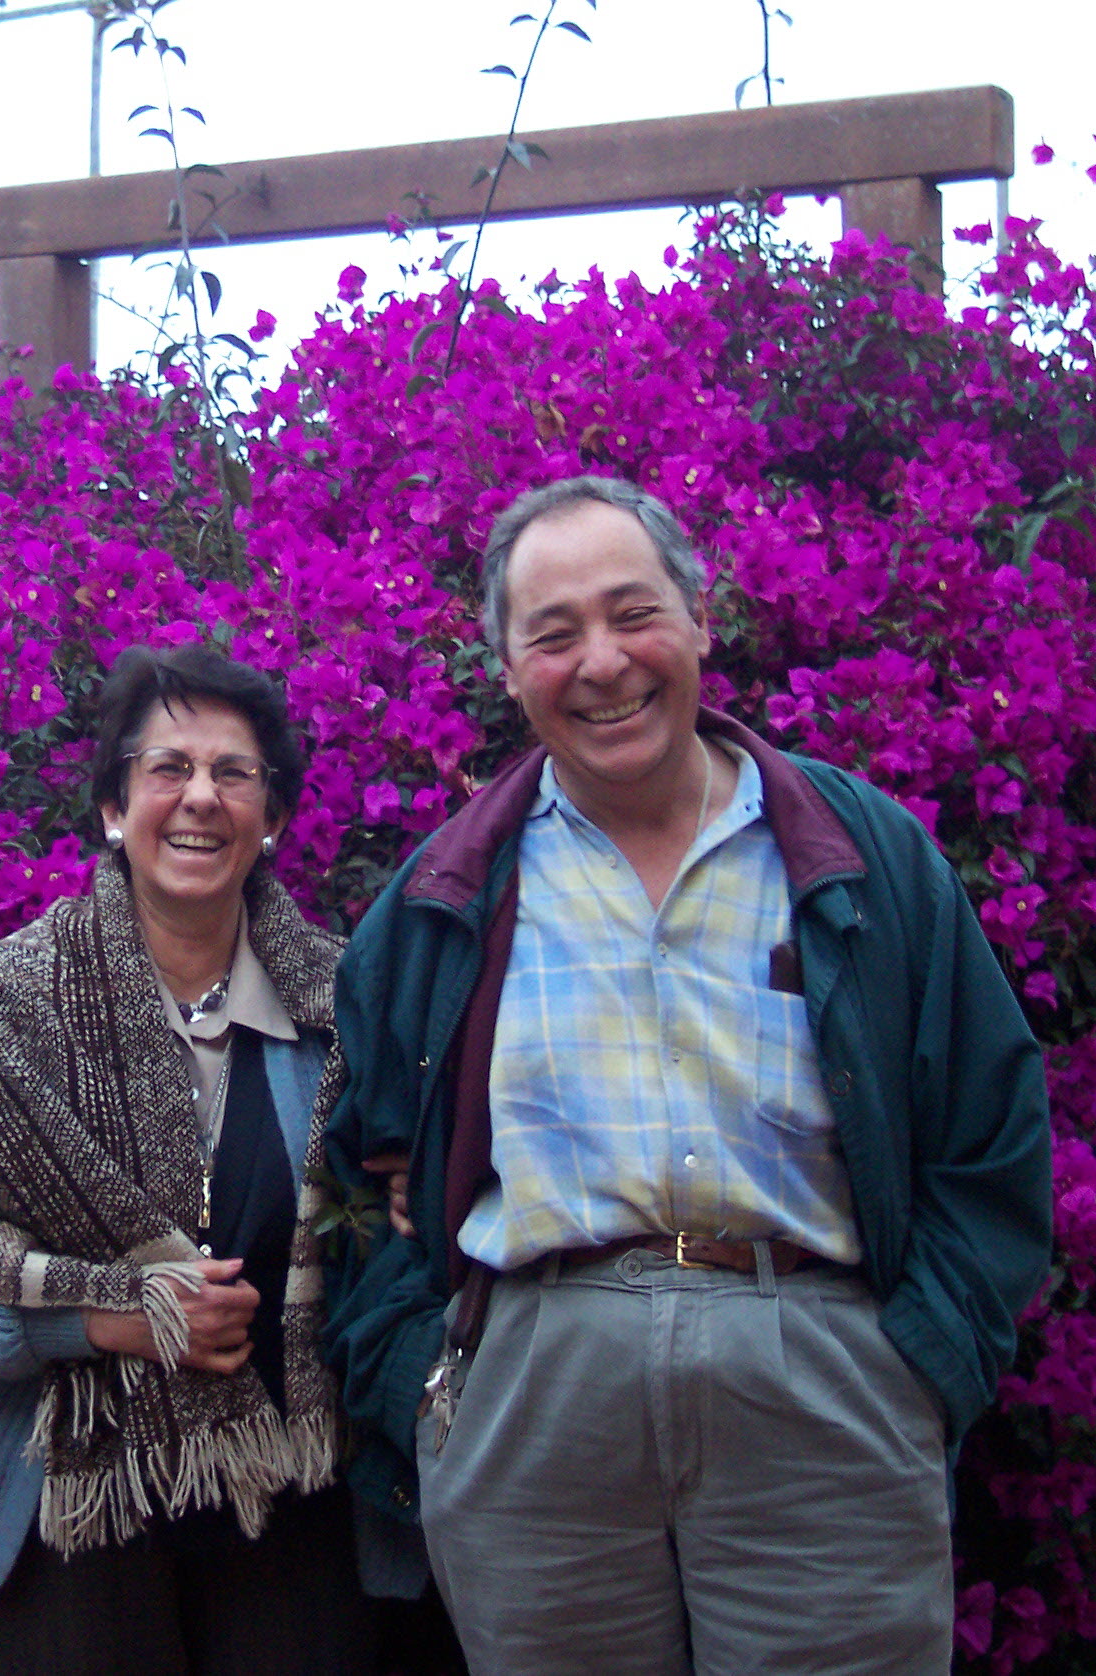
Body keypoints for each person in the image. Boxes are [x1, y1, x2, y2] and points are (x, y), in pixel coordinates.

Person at [322, 476, 1053, 1676]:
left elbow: (991, 1127)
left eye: (633, 613)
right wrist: (422, 1385)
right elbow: (351, 1181)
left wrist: (920, 1363)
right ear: (507, 669)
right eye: (552, 635)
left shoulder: (862, 857)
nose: (602, 662)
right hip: (533, 1406)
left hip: (826, 1385)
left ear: (701, 620)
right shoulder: (442, 899)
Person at [0, 645, 405, 1676]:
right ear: (115, 807)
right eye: (167, 768)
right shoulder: (15, 1003)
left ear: (272, 816)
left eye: (233, 773)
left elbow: (398, 1201)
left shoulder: (344, 1011)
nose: (200, 797)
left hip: (292, 1506)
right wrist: (94, 1320)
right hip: (59, 1511)